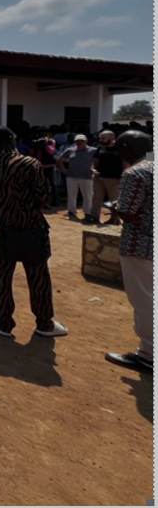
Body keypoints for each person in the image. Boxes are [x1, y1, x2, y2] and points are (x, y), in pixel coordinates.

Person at [0, 126, 68, 337]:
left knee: (2, 278)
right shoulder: (29, 164)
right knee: (38, 276)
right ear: (12, 141)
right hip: (31, 227)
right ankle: (44, 323)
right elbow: (44, 198)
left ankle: (4, 322)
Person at [105, 131, 153, 371]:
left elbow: (128, 213)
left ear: (127, 149)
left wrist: (115, 206)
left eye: (119, 149)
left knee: (144, 300)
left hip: (140, 245)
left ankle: (148, 354)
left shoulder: (135, 173)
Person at [56, 134, 96, 220]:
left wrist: (94, 168)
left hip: (87, 176)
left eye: (82, 141)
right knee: (71, 194)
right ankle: (71, 211)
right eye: (77, 141)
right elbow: (60, 159)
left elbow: (98, 160)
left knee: (88, 195)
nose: (79, 142)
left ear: (86, 141)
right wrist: (63, 170)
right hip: (71, 176)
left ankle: (88, 212)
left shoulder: (93, 150)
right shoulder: (70, 150)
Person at [90, 130, 123, 225]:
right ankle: (94, 217)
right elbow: (94, 160)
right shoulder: (100, 147)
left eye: (103, 138)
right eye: (100, 138)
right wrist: (93, 169)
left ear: (112, 138)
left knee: (114, 200)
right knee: (96, 197)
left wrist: (123, 175)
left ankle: (114, 218)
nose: (100, 140)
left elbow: (125, 163)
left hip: (114, 178)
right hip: (99, 177)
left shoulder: (120, 148)